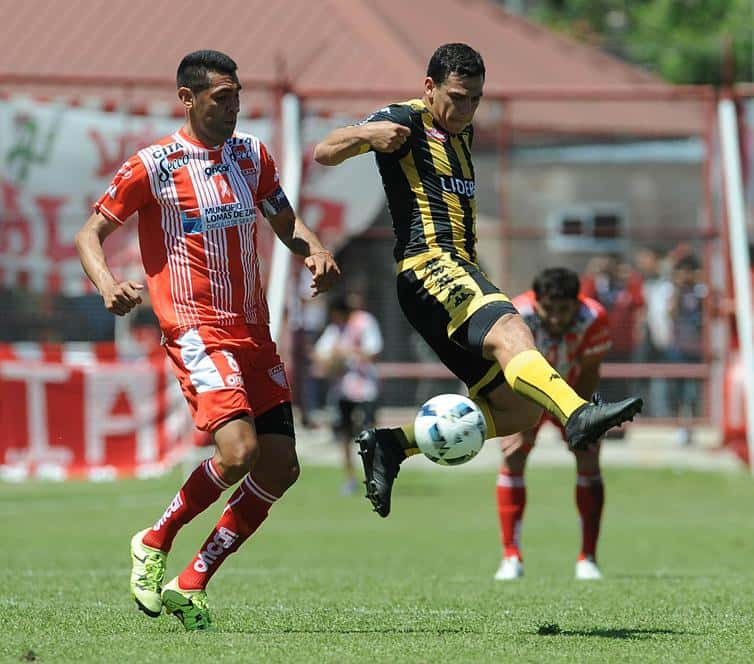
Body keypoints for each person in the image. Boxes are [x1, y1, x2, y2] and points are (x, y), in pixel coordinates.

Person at [313, 42, 642, 519]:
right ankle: (577, 415)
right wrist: (367, 132)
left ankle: (391, 445)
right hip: (429, 265)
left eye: (475, 99)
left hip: (453, 273)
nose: (465, 109)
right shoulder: (404, 120)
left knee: (519, 411)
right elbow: (324, 151)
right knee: (513, 330)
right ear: (429, 88)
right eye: (456, 96)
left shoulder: (459, 133)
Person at [75, 50, 340, 631]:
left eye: (238, 95)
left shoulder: (251, 155)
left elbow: (285, 220)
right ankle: (153, 539)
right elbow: (90, 234)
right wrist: (108, 284)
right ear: (188, 99)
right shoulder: (155, 165)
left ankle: (191, 582)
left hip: (253, 331)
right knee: (239, 452)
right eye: (222, 97)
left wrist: (315, 248)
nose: (234, 107)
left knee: (280, 467)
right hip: (196, 331)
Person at [494, 268, 612, 581]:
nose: (557, 319)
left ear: (578, 303)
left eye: (565, 310)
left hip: (572, 393)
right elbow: (503, 367)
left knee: (588, 458)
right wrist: (514, 415)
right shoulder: (516, 316)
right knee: (513, 455)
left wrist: (580, 419)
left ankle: (588, 558)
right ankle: (510, 556)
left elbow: (588, 373)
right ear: (537, 302)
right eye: (550, 310)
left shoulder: (594, 318)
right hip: (528, 394)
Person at [313, 293, 383, 495]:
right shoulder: (335, 329)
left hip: (366, 389)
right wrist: (330, 360)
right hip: (342, 390)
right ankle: (350, 478)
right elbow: (320, 353)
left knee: (370, 435)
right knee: (344, 436)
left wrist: (346, 353)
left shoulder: (365, 322)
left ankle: (375, 477)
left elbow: (374, 350)